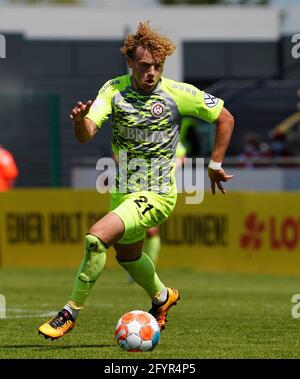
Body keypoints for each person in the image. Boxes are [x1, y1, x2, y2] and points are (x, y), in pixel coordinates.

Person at [38, 21, 234, 340]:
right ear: (130, 63)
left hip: (157, 194)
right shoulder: (113, 90)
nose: (152, 72)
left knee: (95, 239)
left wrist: (215, 164)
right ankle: (161, 297)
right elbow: (87, 133)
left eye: (158, 66)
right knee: (128, 258)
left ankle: (69, 313)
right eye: (145, 65)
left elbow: (225, 117)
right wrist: (78, 122)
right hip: (123, 191)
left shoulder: (177, 93)